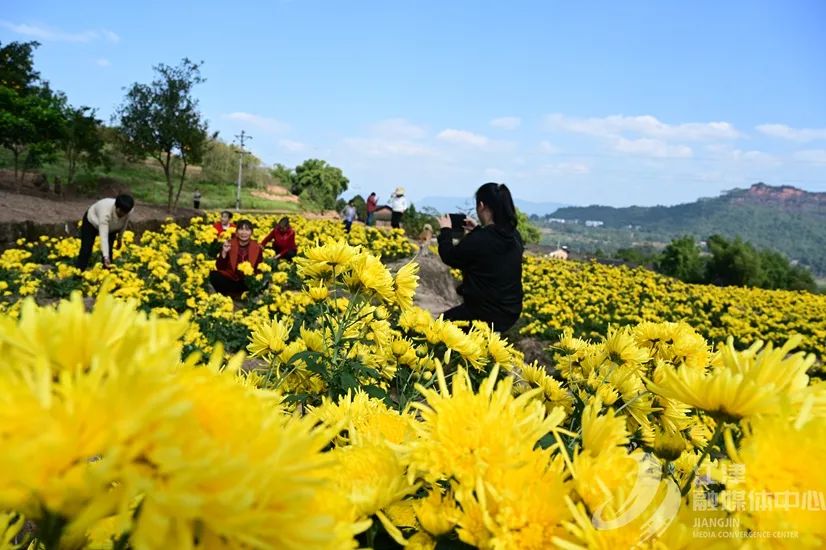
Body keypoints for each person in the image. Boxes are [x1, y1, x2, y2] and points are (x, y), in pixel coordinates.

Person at [436, 182, 523, 333]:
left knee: (438, 327)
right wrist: (477, 230)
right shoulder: (514, 236)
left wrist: (445, 231)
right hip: (510, 312)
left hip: (484, 314)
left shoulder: (481, 239)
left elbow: (450, 256)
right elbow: (491, 253)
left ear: (481, 205)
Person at [75, 194, 135, 270]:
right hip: (92, 222)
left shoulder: (128, 210)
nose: (123, 215)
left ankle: (106, 276)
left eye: (126, 213)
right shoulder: (105, 213)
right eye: (121, 213)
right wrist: (105, 257)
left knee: (109, 252)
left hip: (112, 226)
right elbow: (104, 236)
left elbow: (124, 224)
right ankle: (79, 273)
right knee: (86, 248)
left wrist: (119, 239)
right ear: (118, 208)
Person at [209, 219, 263, 297]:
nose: (244, 232)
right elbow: (220, 267)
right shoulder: (229, 244)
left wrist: (255, 278)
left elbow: (259, 268)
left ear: (251, 232)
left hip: (247, 282)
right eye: (241, 229)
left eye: (247, 229)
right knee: (214, 275)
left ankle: (244, 295)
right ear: (237, 232)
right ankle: (228, 296)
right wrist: (224, 252)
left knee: (264, 281)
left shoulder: (257, 247)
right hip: (231, 279)